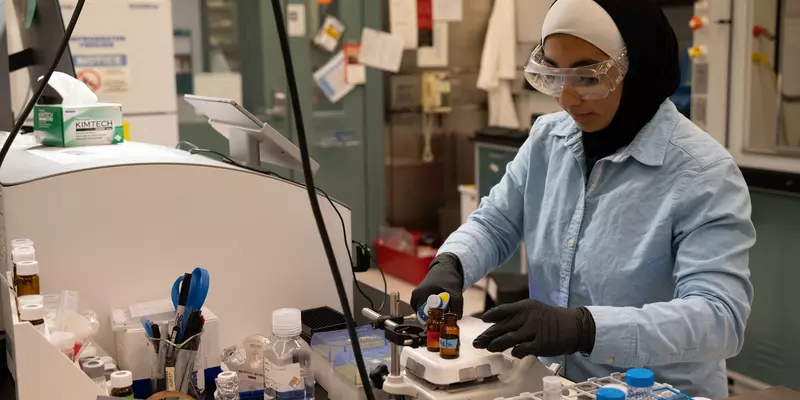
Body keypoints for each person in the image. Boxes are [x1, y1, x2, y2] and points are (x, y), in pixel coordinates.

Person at [410, 0, 755, 398]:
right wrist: (451, 263)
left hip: (654, 390)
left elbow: (720, 318)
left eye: (588, 77)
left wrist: (587, 328)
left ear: (639, 67)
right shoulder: (548, 139)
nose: (567, 99)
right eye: (555, 75)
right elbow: (496, 222)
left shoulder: (702, 173)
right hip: (554, 385)